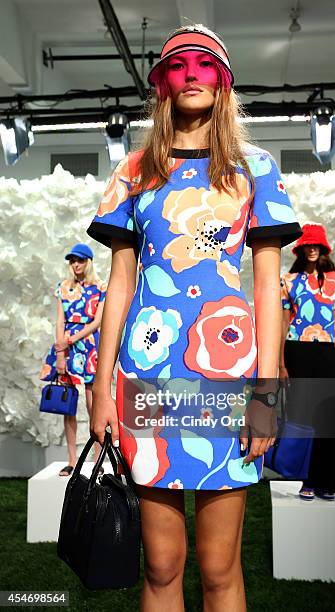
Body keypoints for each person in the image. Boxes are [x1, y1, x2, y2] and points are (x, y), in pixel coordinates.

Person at [87, 24, 302, 611]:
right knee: (158, 566)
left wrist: (268, 388)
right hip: (146, 377)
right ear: (160, 83)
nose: (190, 74)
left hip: (228, 379)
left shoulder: (254, 168)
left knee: (219, 566)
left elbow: (266, 285)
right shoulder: (134, 171)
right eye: (177, 64)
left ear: (224, 81)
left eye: (204, 64)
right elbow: (120, 283)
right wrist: (100, 385)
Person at [279, 222, 335, 501]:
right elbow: (284, 323)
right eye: (308, 245)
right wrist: (281, 363)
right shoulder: (289, 281)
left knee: (328, 417)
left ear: (323, 248)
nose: (312, 249)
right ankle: (307, 481)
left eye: (316, 245)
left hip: (327, 353)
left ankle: (327, 483)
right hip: (298, 351)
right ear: (300, 249)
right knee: (304, 418)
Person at [40, 243, 107, 477]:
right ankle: (72, 460)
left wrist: (71, 340)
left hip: (88, 346)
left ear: (89, 261)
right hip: (66, 349)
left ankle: (97, 460)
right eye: (72, 261)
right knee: (67, 404)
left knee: (93, 407)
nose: (76, 265)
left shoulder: (100, 287)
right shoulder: (64, 287)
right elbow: (59, 321)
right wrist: (60, 352)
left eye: (80, 260)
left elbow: (97, 322)